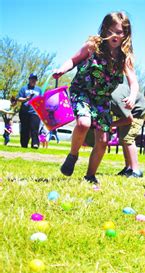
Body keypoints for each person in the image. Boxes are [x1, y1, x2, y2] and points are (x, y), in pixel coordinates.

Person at [53, 12, 138, 184]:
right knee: (83, 123)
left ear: (126, 34)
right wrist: (62, 69)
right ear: (105, 29)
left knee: (103, 140)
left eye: (121, 32)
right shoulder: (93, 46)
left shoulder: (124, 56)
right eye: (113, 30)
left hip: (102, 99)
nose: (116, 35)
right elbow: (73, 59)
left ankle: (90, 175)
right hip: (82, 92)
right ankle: (73, 155)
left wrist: (132, 95)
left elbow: (133, 82)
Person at [110, 83, 145, 177]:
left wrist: (112, 124)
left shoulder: (116, 98)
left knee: (128, 139)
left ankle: (136, 170)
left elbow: (129, 120)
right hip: (129, 113)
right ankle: (128, 168)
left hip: (138, 111)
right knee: (123, 140)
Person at [17, 73, 42, 149]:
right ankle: (24, 144)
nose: (33, 80)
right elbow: (18, 98)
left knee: (34, 129)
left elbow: (41, 100)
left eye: (35, 79)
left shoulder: (39, 90)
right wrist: (26, 99)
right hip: (24, 112)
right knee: (25, 129)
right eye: (32, 79)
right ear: (29, 79)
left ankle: (35, 144)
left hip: (35, 112)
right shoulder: (24, 88)